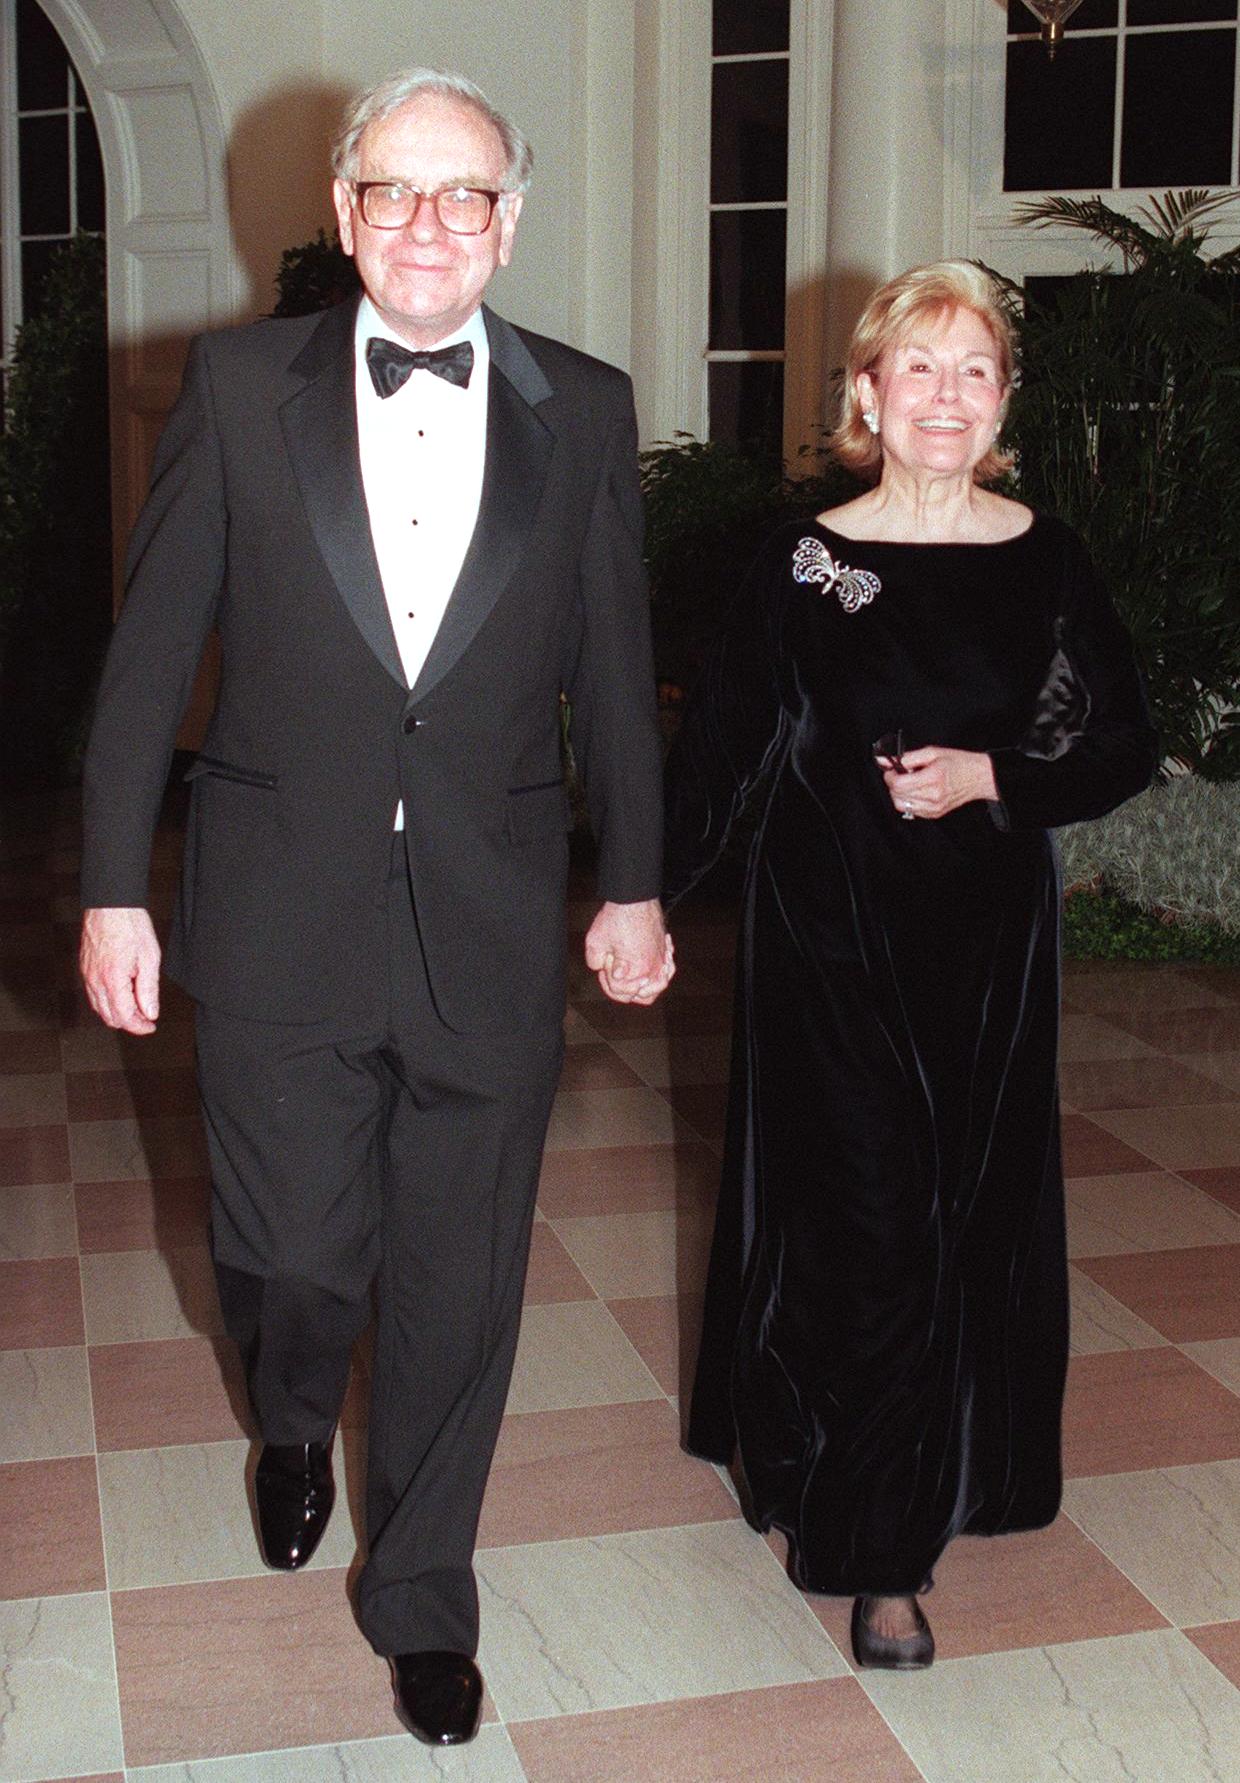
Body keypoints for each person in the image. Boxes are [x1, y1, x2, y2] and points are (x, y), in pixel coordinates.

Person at [79, 67, 672, 1746]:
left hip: (487, 919)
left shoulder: (586, 408)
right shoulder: (238, 385)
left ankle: (424, 1597)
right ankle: (283, 1410)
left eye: (465, 195)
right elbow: (146, 667)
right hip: (271, 916)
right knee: (292, 1263)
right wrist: (115, 887)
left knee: (462, 1281)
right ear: (345, 215)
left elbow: (617, 680)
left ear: (509, 221)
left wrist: (630, 878)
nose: (429, 226)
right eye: (396, 194)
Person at [663, 261, 1156, 1671]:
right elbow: (725, 750)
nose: (945, 397)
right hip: (827, 935)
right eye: (917, 370)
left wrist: (996, 773)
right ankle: (885, 1560)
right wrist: (635, 896)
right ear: (868, 395)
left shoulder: (1045, 557)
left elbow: (1116, 745)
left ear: (1004, 400)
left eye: (974, 371)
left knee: (950, 1221)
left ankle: (896, 1476)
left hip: (988, 950)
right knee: (868, 1223)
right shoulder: (807, 559)